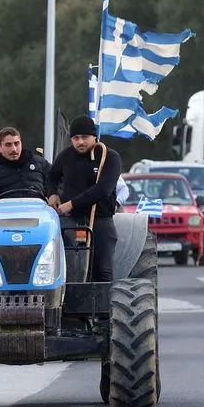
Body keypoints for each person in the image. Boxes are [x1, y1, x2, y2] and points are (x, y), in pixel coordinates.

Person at [47, 115, 122, 282]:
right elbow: (51, 176)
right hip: (71, 220)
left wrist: (71, 204)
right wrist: (52, 193)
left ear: (94, 136)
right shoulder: (66, 156)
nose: (80, 142)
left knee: (103, 271)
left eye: (85, 137)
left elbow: (103, 190)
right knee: (68, 268)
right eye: (76, 138)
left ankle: (104, 299)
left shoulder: (109, 157)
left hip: (100, 219)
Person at [0, 127, 54, 212]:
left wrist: (53, 196)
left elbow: (57, 181)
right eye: (8, 145)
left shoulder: (40, 164)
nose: (14, 149)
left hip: (40, 214)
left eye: (16, 144)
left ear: (21, 144)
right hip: (6, 217)